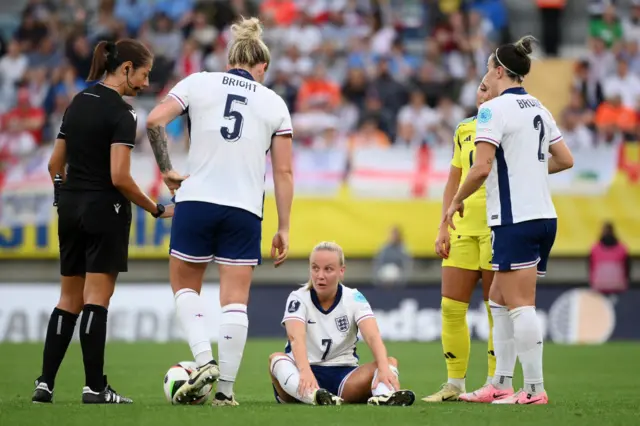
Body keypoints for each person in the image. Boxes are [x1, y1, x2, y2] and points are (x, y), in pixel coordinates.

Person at [145, 16, 294, 406]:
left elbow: (154, 121)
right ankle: (225, 391)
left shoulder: (197, 82)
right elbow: (283, 171)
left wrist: (167, 171)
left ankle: (203, 360)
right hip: (244, 209)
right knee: (234, 301)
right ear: (261, 66)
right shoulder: (274, 103)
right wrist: (285, 227)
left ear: (230, 58)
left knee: (185, 286)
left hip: (194, 200)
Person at [32, 39, 173, 404]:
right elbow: (120, 177)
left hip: (70, 207)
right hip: (104, 211)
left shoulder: (77, 102)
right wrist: (156, 209)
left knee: (68, 299)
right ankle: (94, 387)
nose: (144, 84)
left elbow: (53, 165)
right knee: (97, 299)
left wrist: (64, 193)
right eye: (143, 75)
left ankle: (44, 384)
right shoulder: (122, 114)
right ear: (126, 68)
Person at [444, 36, 574, 405]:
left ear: (499, 71)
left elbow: (481, 168)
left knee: (519, 303)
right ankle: (500, 382)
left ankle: (533, 388)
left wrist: (455, 201)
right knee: (499, 299)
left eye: (488, 68)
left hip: (516, 219)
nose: (486, 75)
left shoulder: (492, 111)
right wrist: (528, 170)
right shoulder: (539, 107)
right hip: (542, 215)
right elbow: (565, 159)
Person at [269, 241, 416, 406]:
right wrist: (305, 371)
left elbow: (372, 335)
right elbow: (295, 338)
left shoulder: (354, 298)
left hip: (344, 376)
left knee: (389, 362)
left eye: (328, 269)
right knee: (276, 359)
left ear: (341, 271)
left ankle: (384, 396)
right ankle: (314, 396)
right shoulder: (298, 297)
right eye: (315, 268)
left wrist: (383, 368)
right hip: (301, 373)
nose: (320, 275)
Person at [422, 79, 496, 403]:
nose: (483, 93)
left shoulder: (508, 125)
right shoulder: (464, 129)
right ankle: (455, 384)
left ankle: (496, 382)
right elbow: (453, 179)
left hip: (498, 225)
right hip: (462, 225)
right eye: (480, 88)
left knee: (498, 311)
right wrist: (443, 227)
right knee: (451, 308)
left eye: (489, 88)